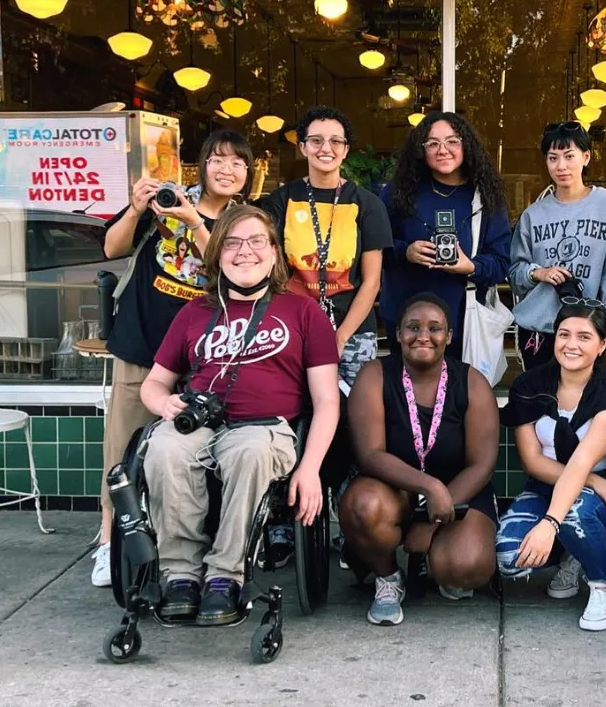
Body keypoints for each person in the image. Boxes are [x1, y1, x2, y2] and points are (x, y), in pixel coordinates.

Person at [138, 205, 341, 626]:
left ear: (273, 253)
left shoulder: (304, 312)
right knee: (163, 448)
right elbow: (153, 384)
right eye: (231, 243)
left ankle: (224, 576)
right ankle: (180, 574)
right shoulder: (195, 312)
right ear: (217, 255)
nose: (243, 251)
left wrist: (311, 468)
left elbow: (326, 401)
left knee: (250, 452)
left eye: (255, 242)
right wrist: (163, 405)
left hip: (266, 430)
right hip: (198, 424)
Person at [93, 130, 255, 588]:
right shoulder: (167, 202)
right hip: (143, 345)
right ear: (201, 166)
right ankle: (108, 541)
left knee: (185, 456)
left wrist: (195, 222)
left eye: (238, 163)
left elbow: (231, 267)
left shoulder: (244, 221)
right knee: (121, 452)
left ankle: (182, 549)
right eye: (218, 160)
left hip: (204, 360)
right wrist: (138, 207)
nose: (227, 169)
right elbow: (113, 248)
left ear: (247, 174)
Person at [340, 293, 499, 625]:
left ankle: (433, 558)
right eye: (412, 327)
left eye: (435, 328)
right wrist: (428, 486)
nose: (423, 335)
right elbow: (369, 454)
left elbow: (482, 464)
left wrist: (433, 520)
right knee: (362, 506)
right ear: (397, 334)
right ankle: (388, 577)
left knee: (465, 567)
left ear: (450, 336)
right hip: (394, 487)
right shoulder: (375, 375)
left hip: (459, 492)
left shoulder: (472, 382)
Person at [496, 303, 606, 632]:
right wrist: (592, 481)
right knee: (509, 557)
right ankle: (574, 549)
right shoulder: (530, 385)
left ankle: (602, 585)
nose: (571, 344)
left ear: (602, 344)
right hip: (550, 485)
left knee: (574, 512)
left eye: (584, 336)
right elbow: (533, 461)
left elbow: (579, 466)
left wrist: (550, 521)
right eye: (564, 334)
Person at [257, 105, 391, 390]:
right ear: (303, 147)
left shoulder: (367, 205)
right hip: (291, 327)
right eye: (316, 140)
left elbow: (371, 281)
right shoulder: (281, 201)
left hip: (352, 332)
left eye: (336, 141)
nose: (325, 148)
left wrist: (339, 337)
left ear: (345, 150)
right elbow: (270, 273)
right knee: (292, 405)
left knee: (355, 413)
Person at [379, 111, 510, 359]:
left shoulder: (485, 196)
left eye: (452, 141)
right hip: (406, 322)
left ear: (466, 145)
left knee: (458, 396)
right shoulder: (397, 193)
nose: (443, 150)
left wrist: (470, 266)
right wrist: (405, 252)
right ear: (421, 150)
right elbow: (373, 250)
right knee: (403, 394)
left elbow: (501, 263)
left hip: (464, 321)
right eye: (432, 143)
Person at [509, 121, 606, 369]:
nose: (561, 166)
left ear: (586, 157)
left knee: (586, 403)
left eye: (569, 156)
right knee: (541, 403)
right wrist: (538, 272)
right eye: (553, 158)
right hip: (540, 329)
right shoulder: (533, 214)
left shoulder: (605, 203)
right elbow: (514, 274)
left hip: (587, 328)